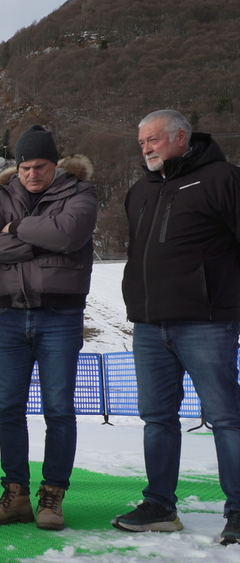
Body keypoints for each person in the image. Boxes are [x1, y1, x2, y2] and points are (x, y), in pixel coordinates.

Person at [112, 109, 240, 546]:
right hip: (149, 325)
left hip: (206, 322)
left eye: (154, 139)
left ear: (181, 136)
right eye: (141, 142)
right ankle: (160, 507)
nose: (145, 148)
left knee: (226, 418)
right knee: (156, 419)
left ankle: (239, 510)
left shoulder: (223, 178)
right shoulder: (140, 190)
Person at [0, 125, 97, 531]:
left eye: (39, 166)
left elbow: (68, 234)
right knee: (8, 409)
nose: (31, 174)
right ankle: (16, 496)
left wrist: (16, 230)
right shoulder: (3, 195)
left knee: (58, 410)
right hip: (10, 315)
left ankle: (52, 497)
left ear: (54, 163)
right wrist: (40, 239)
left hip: (60, 317)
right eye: (24, 167)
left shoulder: (79, 192)